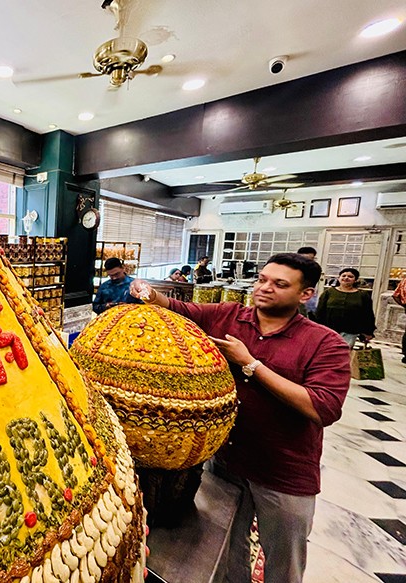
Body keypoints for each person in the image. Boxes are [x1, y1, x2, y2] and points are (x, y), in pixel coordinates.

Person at [130, 253, 350, 583]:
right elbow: (180, 310)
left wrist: (250, 364)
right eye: (262, 279)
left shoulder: (323, 343)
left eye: (280, 284)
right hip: (228, 459)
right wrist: (147, 292)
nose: (265, 288)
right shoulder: (231, 316)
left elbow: (323, 407)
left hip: (283, 470)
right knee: (228, 546)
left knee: (284, 560)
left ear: (306, 294)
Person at [314, 267, 375, 347]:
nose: (346, 278)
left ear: (355, 280)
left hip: (350, 331)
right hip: (329, 330)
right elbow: (320, 311)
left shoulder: (362, 295)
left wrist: (368, 332)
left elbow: (368, 314)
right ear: (339, 278)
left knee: (343, 353)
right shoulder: (328, 292)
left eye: (350, 276)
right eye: (344, 276)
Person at [297, 247, 319, 318]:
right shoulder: (293, 270)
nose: (308, 262)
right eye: (305, 259)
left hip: (310, 300)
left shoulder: (315, 270)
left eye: (311, 259)